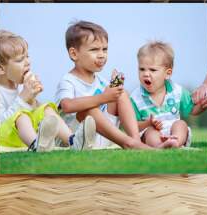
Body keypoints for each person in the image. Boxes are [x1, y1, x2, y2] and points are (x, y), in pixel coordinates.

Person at [55, 21, 151, 149]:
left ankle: (135, 140)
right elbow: (66, 106)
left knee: (121, 94)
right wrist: (104, 97)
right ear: (74, 54)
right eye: (94, 49)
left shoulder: (100, 80)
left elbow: (112, 105)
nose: (101, 55)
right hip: (81, 138)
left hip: (106, 135)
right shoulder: (68, 81)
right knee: (88, 111)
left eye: (104, 49)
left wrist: (113, 90)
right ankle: (128, 143)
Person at [0, 30, 96, 152]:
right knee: (21, 116)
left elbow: (32, 111)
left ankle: (73, 141)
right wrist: (23, 97)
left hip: (22, 136)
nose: (28, 62)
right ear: (0, 68)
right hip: (4, 137)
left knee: (45, 108)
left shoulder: (20, 86)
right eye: (20, 60)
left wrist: (32, 98)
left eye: (27, 56)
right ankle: (36, 145)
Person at [130, 41, 204, 148]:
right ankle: (160, 146)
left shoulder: (177, 91)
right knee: (150, 131)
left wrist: (203, 104)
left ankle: (175, 141)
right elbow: (133, 126)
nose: (146, 73)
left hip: (173, 131)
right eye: (142, 69)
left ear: (167, 73)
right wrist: (148, 123)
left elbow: (192, 109)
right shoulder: (135, 98)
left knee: (181, 124)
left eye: (152, 70)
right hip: (151, 134)